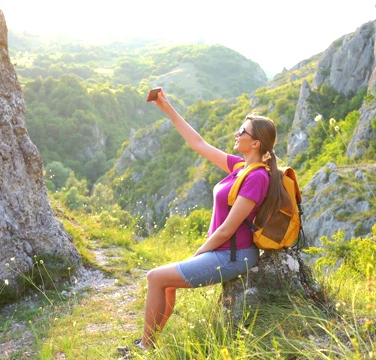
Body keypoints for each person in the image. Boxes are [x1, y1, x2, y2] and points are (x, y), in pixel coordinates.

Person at [122, 88, 289, 354]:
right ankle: (150, 344)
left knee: (156, 278)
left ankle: (143, 348)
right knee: (166, 287)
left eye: (242, 132)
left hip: (234, 256)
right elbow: (198, 144)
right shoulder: (240, 167)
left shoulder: (257, 178)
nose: (236, 134)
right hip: (224, 250)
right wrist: (167, 108)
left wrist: (199, 253)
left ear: (255, 143)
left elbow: (227, 229)